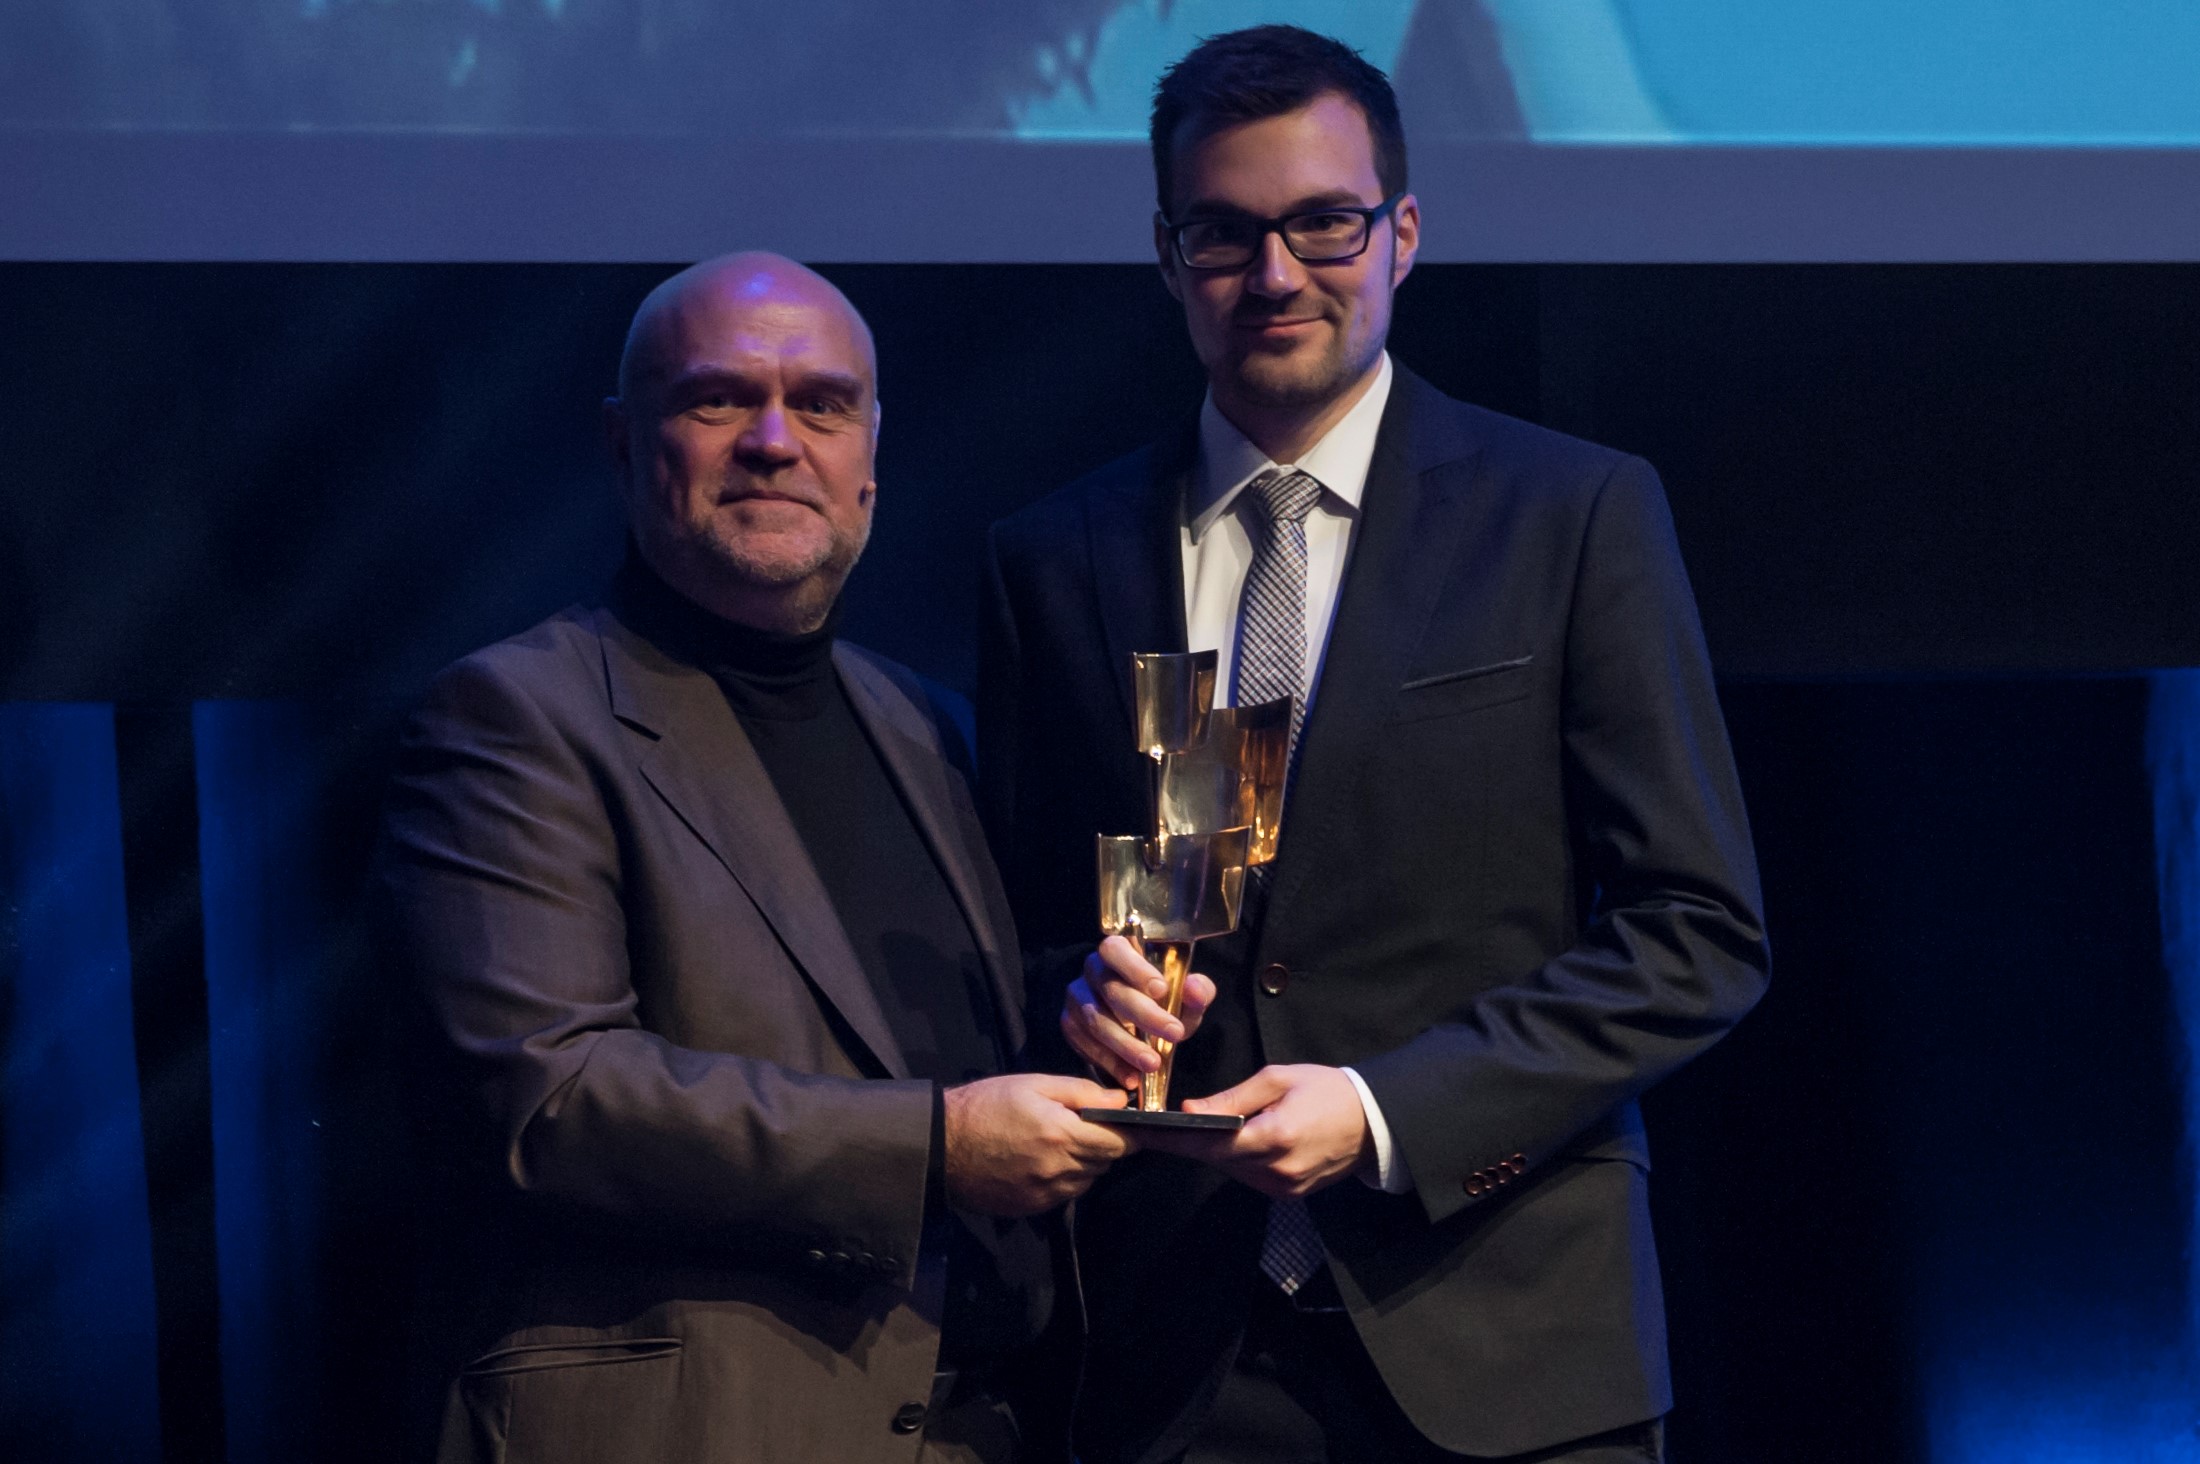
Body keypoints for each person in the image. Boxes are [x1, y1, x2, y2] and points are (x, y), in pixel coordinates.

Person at [978, 27, 1768, 1464]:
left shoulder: (1571, 516)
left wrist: (1383, 1106)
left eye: (1321, 223)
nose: (1275, 274)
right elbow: (1023, 932)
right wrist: (1072, 999)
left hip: (1511, 1343)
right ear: (1167, 258)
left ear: (1402, 233)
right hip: (1168, 1365)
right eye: (1224, 234)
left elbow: (1699, 933)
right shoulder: (1054, 557)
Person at [376, 252, 1133, 1464]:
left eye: (822, 405)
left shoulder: (926, 726)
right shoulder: (515, 717)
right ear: (627, 445)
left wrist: (1078, 1018)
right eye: (718, 399)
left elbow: (909, 1047)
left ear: (870, 459)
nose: (776, 441)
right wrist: (940, 1147)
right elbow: (551, 1100)